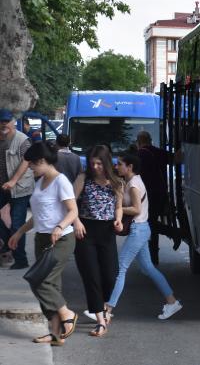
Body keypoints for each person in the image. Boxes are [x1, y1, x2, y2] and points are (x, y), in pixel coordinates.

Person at [8, 141, 79, 346]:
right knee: (52, 285)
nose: (29, 168)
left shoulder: (61, 181)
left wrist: (59, 227)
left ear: (42, 161)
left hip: (61, 239)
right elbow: (37, 216)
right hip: (42, 238)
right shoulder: (40, 183)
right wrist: (19, 232)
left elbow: (73, 210)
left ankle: (67, 314)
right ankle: (56, 334)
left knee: (40, 280)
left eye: (32, 164)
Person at [105, 153, 183, 321]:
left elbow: (136, 209)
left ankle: (107, 310)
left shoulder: (134, 184)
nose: (116, 166)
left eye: (119, 164)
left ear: (129, 167)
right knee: (148, 268)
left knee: (121, 269)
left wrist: (117, 209)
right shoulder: (132, 182)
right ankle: (172, 302)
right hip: (141, 229)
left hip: (138, 229)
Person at [73, 145, 123, 337]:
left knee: (111, 276)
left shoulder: (116, 181)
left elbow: (118, 207)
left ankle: (104, 308)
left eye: (99, 163)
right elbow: (71, 202)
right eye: (93, 163)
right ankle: (100, 321)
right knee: (91, 276)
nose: (95, 167)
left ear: (107, 163)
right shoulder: (83, 179)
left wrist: (118, 219)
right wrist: (76, 221)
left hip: (107, 231)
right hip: (85, 230)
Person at [136, 131, 181, 265]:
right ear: (150, 140)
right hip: (159, 194)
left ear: (138, 141)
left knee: (148, 223)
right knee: (151, 222)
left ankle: (170, 235)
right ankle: (154, 254)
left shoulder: (139, 155)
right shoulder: (159, 152)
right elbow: (177, 159)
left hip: (145, 195)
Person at [0, 108, 34, 269]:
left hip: (20, 188)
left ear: (13, 122)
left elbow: (27, 161)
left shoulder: (22, 140)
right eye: (1, 122)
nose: (3, 125)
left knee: (17, 224)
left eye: (6, 121)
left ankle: (21, 260)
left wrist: (13, 180)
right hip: (2, 187)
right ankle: (8, 243)